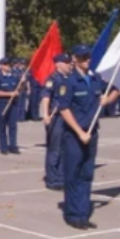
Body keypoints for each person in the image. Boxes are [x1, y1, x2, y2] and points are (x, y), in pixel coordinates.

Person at [57, 45, 120, 229]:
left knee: (86, 175)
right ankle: (72, 214)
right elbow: (64, 109)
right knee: (73, 175)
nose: (87, 60)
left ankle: (83, 214)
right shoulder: (68, 82)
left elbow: (116, 89)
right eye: (83, 57)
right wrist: (79, 132)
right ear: (74, 59)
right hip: (74, 135)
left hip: (92, 133)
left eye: (88, 56)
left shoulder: (95, 79)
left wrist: (107, 100)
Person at [41, 54, 71, 190]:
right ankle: (52, 179)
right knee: (55, 149)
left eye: (69, 62)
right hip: (56, 117)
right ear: (58, 64)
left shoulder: (69, 79)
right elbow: (46, 97)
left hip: (67, 117)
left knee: (65, 149)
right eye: (66, 62)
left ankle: (61, 177)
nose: (69, 64)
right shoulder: (52, 79)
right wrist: (46, 114)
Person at [0, 58, 20, 155]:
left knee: (13, 126)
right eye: (6, 64)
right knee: (2, 126)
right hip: (2, 104)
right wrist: (10, 94)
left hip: (13, 104)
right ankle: (3, 147)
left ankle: (13, 146)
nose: (8, 66)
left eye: (9, 64)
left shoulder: (14, 76)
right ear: (1, 66)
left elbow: (18, 88)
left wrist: (23, 83)